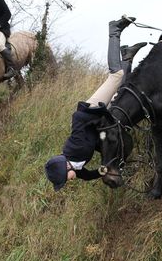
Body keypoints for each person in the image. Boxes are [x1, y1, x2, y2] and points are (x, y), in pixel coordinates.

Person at [45, 16, 147, 191]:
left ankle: (114, 31)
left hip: (91, 110)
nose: (68, 181)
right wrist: (103, 170)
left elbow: (78, 119)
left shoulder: (74, 149)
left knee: (116, 76)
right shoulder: (77, 167)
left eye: (64, 179)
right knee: (123, 92)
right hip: (97, 119)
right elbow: (88, 175)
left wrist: (102, 114)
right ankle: (127, 56)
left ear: (65, 168)